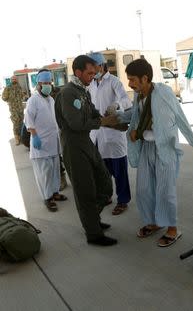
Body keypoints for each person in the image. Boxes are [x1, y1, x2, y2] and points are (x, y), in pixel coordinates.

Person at [118, 58, 193, 247]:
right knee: (144, 189)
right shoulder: (139, 96)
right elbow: (136, 115)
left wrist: (141, 129)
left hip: (165, 148)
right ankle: (154, 222)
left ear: (145, 78)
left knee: (165, 190)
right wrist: (118, 117)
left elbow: (171, 118)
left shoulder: (163, 93)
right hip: (147, 148)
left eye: (132, 80)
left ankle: (172, 228)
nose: (129, 84)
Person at [55, 55, 119, 246]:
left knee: (105, 183)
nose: (93, 76)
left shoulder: (83, 91)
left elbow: (92, 114)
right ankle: (93, 233)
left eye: (94, 73)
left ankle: (92, 219)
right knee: (85, 191)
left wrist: (105, 116)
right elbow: (75, 123)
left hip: (86, 142)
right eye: (90, 73)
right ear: (78, 72)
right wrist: (101, 122)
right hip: (73, 146)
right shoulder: (68, 93)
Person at [87, 52, 132, 216]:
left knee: (119, 171)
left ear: (102, 65)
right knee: (102, 171)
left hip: (113, 134)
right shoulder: (91, 84)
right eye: (90, 68)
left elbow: (127, 101)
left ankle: (123, 200)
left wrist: (116, 105)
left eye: (94, 67)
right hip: (97, 135)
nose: (92, 71)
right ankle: (106, 196)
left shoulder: (114, 81)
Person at [24, 70, 67, 212]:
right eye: (45, 83)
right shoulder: (33, 100)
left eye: (49, 82)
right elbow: (28, 121)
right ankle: (47, 198)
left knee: (54, 170)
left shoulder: (50, 99)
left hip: (53, 144)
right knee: (44, 174)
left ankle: (55, 193)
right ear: (39, 84)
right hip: (40, 144)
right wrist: (34, 136)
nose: (48, 85)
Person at [2, 75, 27, 145]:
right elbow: (3, 97)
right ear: (11, 80)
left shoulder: (19, 87)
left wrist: (23, 97)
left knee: (21, 123)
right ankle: (17, 138)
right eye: (13, 79)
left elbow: (23, 95)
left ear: (17, 80)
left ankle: (21, 137)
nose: (14, 80)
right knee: (16, 123)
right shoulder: (8, 88)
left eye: (15, 79)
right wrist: (10, 101)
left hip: (20, 108)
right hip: (13, 109)